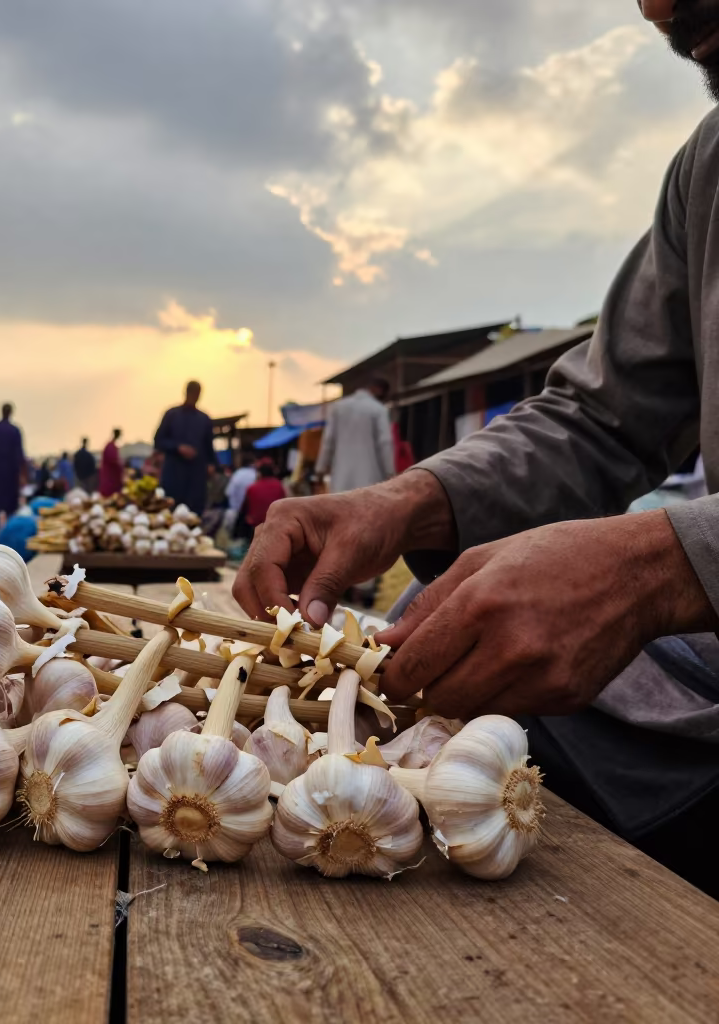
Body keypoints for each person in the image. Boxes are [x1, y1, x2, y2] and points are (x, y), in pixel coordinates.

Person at [234, 0, 719, 898]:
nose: (655, 8)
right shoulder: (711, 165)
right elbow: (602, 418)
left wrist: (663, 568)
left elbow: (660, 550)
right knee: (439, 615)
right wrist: (403, 502)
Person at [316, 375, 395, 494]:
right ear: (379, 390)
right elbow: (384, 443)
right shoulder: (378, 409)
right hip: (370, 479)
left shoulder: (338, 407)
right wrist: (390, 473)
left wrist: (320, 469)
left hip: (340, 479)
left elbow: (328, 441)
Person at [153, 380, 217, 514]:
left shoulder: (204, 419)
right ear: (186, 393)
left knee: (194, 515)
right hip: (174, 475)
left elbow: (209, 447)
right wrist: (178, 448)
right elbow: (159, 440)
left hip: (196, 477)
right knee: (170, 512)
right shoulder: (172, 415)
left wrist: (211, 464)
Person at [242, 459, 286, 534]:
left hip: (256, 526)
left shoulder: (252, 488)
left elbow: (245, 508)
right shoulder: (279, 485)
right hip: (276, 525)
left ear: (259, 473)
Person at [225, 453, 258, 537]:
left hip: (237, 512)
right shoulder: (256, 475)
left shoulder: (237, 474)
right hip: (253, 515)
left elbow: (228, 492)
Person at [99, 428, 124, 497]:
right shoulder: (110, 446)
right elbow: (113, 460)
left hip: (113, 477)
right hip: (110, 477)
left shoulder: (112, 446)